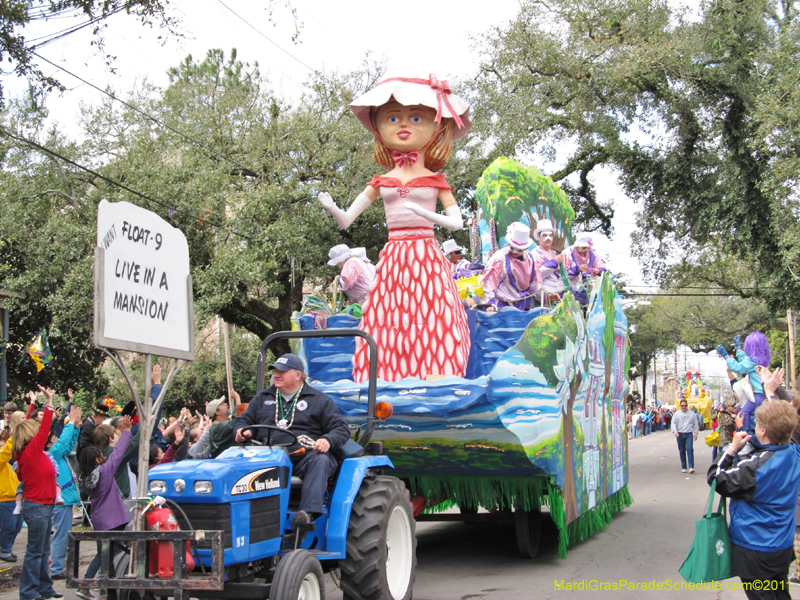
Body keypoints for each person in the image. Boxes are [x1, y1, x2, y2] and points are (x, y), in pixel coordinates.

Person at [317, 74, 471, 382]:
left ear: (437, 127)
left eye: (416, 117)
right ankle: (385, 375)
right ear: (378, 125)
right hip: (396, 255)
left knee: (433, 312)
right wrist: (333, 207)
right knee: (389, 315)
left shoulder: (434, 179)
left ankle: (439, 371)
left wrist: (422, 213)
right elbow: (347, 220)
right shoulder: (380, 181)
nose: (404, 124)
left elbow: (457, 223)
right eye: (393, 117)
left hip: (425, 252)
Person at [708, 367, 800, 599]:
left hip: (755, 549)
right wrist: (772, 391)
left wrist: (730, 449)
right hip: (781, 545)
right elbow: (789, 424)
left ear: (762, 430)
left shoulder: (754, 468)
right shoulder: (793, 453)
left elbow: (716, 479)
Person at [234, 354, 350, 531]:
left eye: (282, 371)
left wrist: (327, 439)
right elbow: (243, 421)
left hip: (302, 457)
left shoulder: (319, 400)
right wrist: (242, 431)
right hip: (268, 456)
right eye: (275, 372)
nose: (277, 375)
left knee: (321, 460)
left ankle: (306, 515)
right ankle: (237, 516)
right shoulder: (262, 397)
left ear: (298, 375)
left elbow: (341, 429)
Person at [77, 415, 133, 600]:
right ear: (97, 461)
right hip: (113, 518)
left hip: (99, 518)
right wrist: (126, 431)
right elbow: (118, 454)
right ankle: (108, 584)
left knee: (102, 553)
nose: (104, 457)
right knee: (115, 552)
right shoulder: (104, 472)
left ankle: (87, 584)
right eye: (101, 456)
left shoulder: (87, 478)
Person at [13, 385, 61, 600]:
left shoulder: (31, 453)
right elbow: (45, 429)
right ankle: (29, 591)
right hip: (38, 506)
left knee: (42, 552)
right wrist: (49, 401)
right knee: (36, 552)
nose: (39, 430)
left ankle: (42, 588)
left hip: (42, 504)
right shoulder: (31, 451)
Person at [48, 404, 82, 579]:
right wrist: (70, 424)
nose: (56, 439)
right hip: (60, 501)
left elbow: (67, 445)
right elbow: (62, 444)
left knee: (60, 535)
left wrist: (75, 427)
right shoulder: (51, 453)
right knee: (60, 536)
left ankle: (55, 565)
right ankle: (55, 568)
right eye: (54, 437)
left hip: (65, 499)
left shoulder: (58, 454)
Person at [717, 332, 771, 431]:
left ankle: (747, 436)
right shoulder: (757, 359)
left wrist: (726, 357)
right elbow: (744, 359)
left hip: (759, 394)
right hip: (762, 393)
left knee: (743, 414)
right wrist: (737, 349)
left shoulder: (753, 360)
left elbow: (739, 367)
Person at [481, 222, 540, 311]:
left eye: (519, 250)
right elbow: (489, 284)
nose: (515, 252)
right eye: (512, 247)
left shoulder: (531, 260)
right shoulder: (499, 259)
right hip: (502, 307)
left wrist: (547, 296)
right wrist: (490, 304)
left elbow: (535, 287)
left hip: (523, 308)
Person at [545, 233, 607, 306]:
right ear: (577, 246)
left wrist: (598, 270)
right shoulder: (567, 253)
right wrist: (577, 269)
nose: (586, 250)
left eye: (588, 248)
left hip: (587, 290)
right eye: (584, 247)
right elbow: (562, 273)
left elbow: (602, 267)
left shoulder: (592, 254)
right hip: (569, 289)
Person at [530, 219, 566, 306]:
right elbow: (536, 275)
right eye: (544, 235)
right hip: (545, 296)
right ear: (538, 237)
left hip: (559, 294)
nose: (548, 238)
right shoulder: (534, 254)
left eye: (550, 235)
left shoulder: (554, 254)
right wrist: (554, 262)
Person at [0, 422, 22, 563]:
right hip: (5, 500)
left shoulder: (7, 466)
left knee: (17, 526)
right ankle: (5, 549)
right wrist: (13, 437)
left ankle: (6, 547)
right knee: (9, 526)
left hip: (15, 499)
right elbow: (6, 452)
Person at [671, 398, 699, 473]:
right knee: (682, 450)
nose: (684, 407)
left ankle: (691, 467)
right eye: (682, 406)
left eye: (685, 406)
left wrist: (696, 433)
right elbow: (673, 423)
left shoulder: (691, 414)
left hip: (689, 433)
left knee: (690, 449)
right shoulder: (676, 414)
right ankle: (684, 467)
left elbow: (695, 423)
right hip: (680, 434)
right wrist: (675, 431)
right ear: (680, 406)